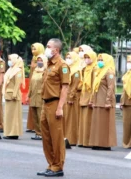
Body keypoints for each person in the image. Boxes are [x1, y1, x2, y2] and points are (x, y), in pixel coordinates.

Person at [37, 38, 69, 177]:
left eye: (48, 46)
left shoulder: (62, 65)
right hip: (46, 103)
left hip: (56, 103)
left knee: (56, 137)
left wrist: (60, 107)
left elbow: (65, 87)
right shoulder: (49, 64)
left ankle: (58, 166)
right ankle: (51, 164)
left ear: (56, 50)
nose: (46, 48)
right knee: (46, 136)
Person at [89, 54, 117, 150]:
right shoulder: (99, 72)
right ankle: (97, 142)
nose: (100, 61)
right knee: (98, 124)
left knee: (105, 124)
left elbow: (111, 87)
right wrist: (92, 100)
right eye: (99, 59)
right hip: (98, 101)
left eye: (102, 60)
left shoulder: (109, 72)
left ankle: (105, 144)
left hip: (105, 101)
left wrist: (108, 101)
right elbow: (94, 87)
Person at [2, 54, 25, 139]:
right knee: (8, 115)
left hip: (13, 95)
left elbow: (17, 83)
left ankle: (14, 133)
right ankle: (9, 132)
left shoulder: (18, 71)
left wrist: (15, 94)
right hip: (8, 94)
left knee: (14, 115)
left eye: (10, 59)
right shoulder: (10, 70)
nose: (9, 61)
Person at [78, 50, 96, 148]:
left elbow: (94, 85)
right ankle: (82, 141)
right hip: (84, 95)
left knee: (88, 120)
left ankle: (88, 141)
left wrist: (91, 99)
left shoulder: (94, 69)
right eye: (85, 57)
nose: (86, 59)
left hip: (89, 96)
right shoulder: (85, 69)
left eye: (88, 57)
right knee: (83, 120)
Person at [64, 52, 82, 146]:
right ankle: (66, 137)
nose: (68, 59)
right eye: (67, 57)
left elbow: (74, 86)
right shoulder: (68, 69)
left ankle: (73, 139)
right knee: (67, 118)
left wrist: (70, 97)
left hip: (73, 98)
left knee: (72, 119)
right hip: (66, 96)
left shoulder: (76, 72)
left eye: (70, 57)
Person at [27, 54, 47, 140]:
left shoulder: (46, 71)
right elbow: (31, 83)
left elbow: (45, 84)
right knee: (34, 114)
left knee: (40, 115)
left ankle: (42, 133)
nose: (39, 62)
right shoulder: (35, 70)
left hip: (40, 95)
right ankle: (37, 132)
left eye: (41, 60)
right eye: (38, 60)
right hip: (34, 95)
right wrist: (29, 94)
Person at [26, 43, 45, 133]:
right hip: (33, 91)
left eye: (35, 49)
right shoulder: (35, 64)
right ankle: (36, 130)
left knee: (40, 112)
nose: (33, 51)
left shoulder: (45, 68)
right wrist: (28, 94)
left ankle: (41, 132)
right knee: (33, 112)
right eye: (32, 49)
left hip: (40, 93)